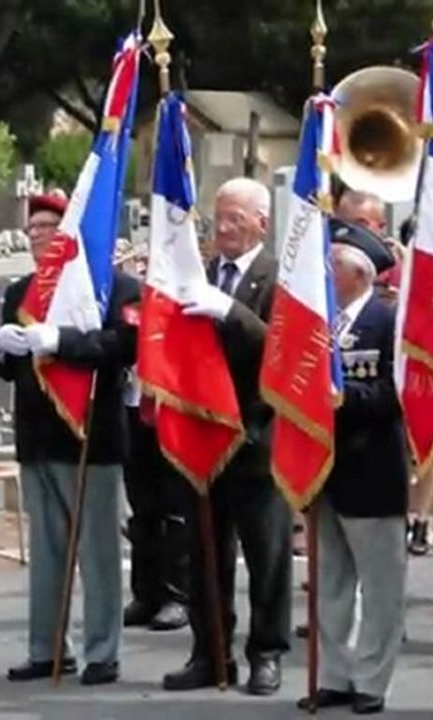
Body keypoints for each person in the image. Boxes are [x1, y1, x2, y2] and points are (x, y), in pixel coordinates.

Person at [0, 193, 139, 685]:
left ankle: (103, 651)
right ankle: (47, 648)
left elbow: (125, 345)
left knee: (98, 552)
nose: (37, 235)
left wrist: (61, 341)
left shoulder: (115, 287)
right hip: (38, 435)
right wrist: (0, 349)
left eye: (48, 227)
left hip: (92, 437)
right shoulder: (21, 291)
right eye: (32, 228)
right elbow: (10, 369)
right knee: (47, 552)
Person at [161, 177, 290, 695]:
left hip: (257, 435)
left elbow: (282, 350)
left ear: (262, 222)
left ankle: (267, 653)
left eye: (236, 217)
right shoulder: (200, 273)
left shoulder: (278, 277)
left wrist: (229, 312)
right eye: (219, 217)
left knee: (267, 556)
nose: (225, 227)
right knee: (205, 554)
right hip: (203, 436)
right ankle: (210, 653)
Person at [296, 219, 407, 716]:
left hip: (372, 468)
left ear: (360, 273)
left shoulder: (388, 322)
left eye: (332, 264)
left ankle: (372, 678)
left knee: (381, 586)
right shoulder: (317, 320)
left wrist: (344, 398)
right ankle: (334, 674)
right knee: (330, 583)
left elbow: (396, 393)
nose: (324, 273)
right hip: (323, 468)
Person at [118, 243, 189, 633]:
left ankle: (177, 595)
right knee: (142, 506)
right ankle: (145, 593)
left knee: (175, 508)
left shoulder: (181, 300)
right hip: (134, 407)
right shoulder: (128, 303)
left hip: (171, 410)